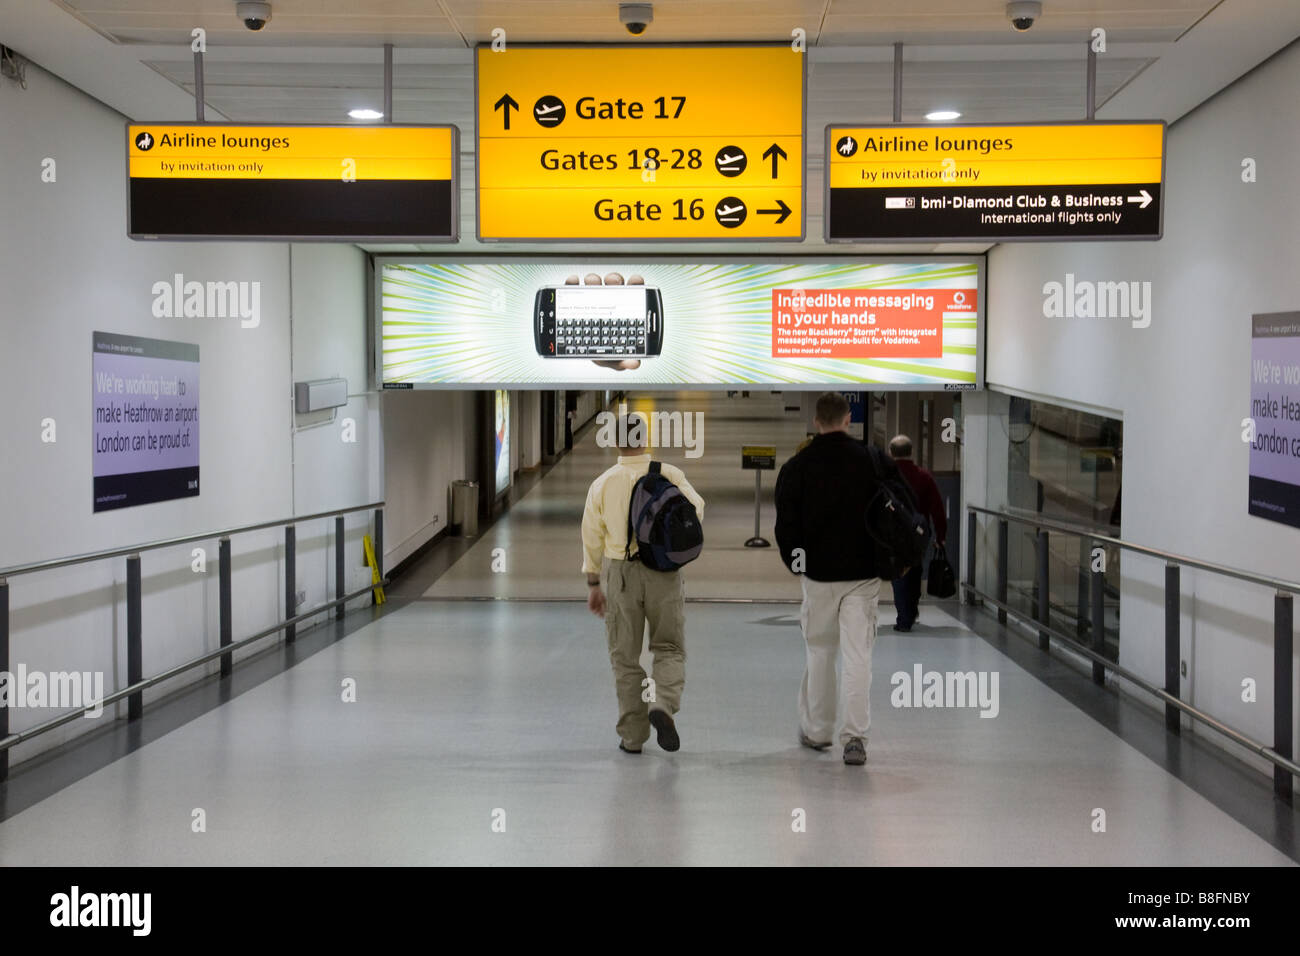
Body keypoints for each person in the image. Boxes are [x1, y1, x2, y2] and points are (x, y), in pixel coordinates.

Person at [581, 413, 705, 755]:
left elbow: (591, 536)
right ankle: (663, 703)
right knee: (669, 647)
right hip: (663, 571)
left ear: (616, 441)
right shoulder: (669, 474)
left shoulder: (603, 483)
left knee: (624, 656)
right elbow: (696, 510)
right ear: (645, 439)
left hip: (620, 574)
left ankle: (633, 737)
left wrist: (594, 582)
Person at [774, 392, 883, 767]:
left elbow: (786, 526)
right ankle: (854, 739)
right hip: (863, 576)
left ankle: (818, 730)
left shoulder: (798, 466)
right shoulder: (873, 460)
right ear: (848, 419)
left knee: (820, 652)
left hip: (819, 576)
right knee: (858, 656)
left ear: (816, 421)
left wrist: (798, 562)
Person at [887, 434, 948, 632]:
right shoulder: (924, 477)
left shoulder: (886, 478)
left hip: (895, 534)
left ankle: (904, 617)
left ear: (891, 453)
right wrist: (941, 536)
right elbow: (938, 510)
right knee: (914, 569)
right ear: (911, 453)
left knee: (898, 574)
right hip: (919, 534)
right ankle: (911, 611)